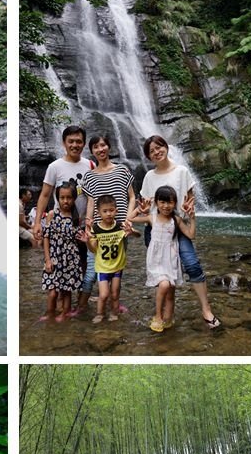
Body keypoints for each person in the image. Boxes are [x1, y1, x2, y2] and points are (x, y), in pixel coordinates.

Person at [140, 135, 220, 329]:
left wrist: (190, 214)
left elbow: (190, 202)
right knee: (166, 273)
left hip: (178, 225)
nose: (156, 152)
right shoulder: (149, 177)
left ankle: (206, 309)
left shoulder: (182, 171)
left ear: (166, 147)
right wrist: (141, 212)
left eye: (159, 147)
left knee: (192, 265)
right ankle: (167, 315)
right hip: (156, 230)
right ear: (149, 157)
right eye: (151, 151)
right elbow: (145, 205)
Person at [75, 134, 137, 316]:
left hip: (119, 229)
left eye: (103, 145)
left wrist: (128, 219)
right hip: (97, 229)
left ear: (108, 147)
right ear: (92, 151)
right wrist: (88, 222)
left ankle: (113, 304)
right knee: (92, 270)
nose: (100, 149)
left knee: (116, 265)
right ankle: (81, 306)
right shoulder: (90, 176)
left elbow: (132, 197)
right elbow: (91, 202)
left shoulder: (122, 170)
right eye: (96, 147)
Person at [130, 186, 196, 332]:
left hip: (171, 261)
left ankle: (168, 320)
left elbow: (191, 235)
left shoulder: (176, 220)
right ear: (157, 203)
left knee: (171, 292)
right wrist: (140, 209)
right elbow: (130, 218)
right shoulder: (151, 218)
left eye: (170, 202)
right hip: (156, 261)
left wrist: (192, 218)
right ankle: (158, 316)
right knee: (164, 285)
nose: (166, 206)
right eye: (162, 202)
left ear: (175, 204)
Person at [40, 183, 84, 322]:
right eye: (62, 197)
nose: (65, 201)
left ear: (74, 199)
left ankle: (64, 313)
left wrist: (84, 240)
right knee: (52, 292)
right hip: (54, 257)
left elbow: (78, 240)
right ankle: (49, 313)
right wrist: (47, 259)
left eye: (69, 198)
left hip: (70, 259)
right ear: (57, 198)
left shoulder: (76, 218)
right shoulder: (52, 215)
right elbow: (46, 237)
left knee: (66, 290)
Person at [87, 195, 129, 323]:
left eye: (111, 210)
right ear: (99, 213)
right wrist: (88, 240)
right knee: (104, 294)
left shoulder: (120, 226)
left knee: (115, 293)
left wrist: (131, 231)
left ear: (116, 210)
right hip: (103, 267)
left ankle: (114, 312)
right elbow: (93, 249)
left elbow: (136, 234)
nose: (108, 214)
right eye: (105, 211)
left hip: (117, 266)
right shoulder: (96, 229)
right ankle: (100, 313)